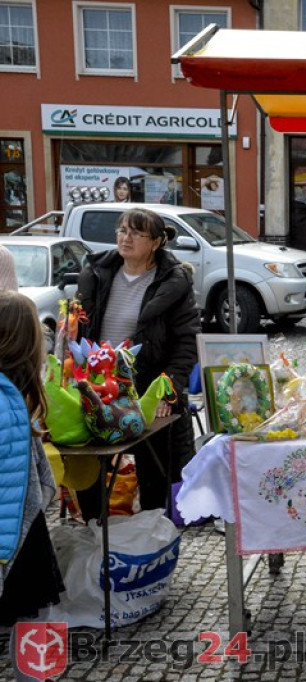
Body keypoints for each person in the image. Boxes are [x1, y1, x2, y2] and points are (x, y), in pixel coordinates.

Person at [75, 208, 200, 518]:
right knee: (87, 461)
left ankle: (151, 530)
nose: (125, 238)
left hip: (146, 389)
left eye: (135, 232)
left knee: (154, 469)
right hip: (97, 388)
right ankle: (94, 527)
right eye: (121, 230)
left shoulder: (173, 282)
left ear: (155, 242)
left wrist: (167, 391)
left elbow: (186, 345)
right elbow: (80, 330)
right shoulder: (97, 272)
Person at [0, 291, 66, 682]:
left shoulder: (15, 391)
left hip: (16, 524)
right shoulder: (10, 396)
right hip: (15, 532)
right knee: (36, 619)